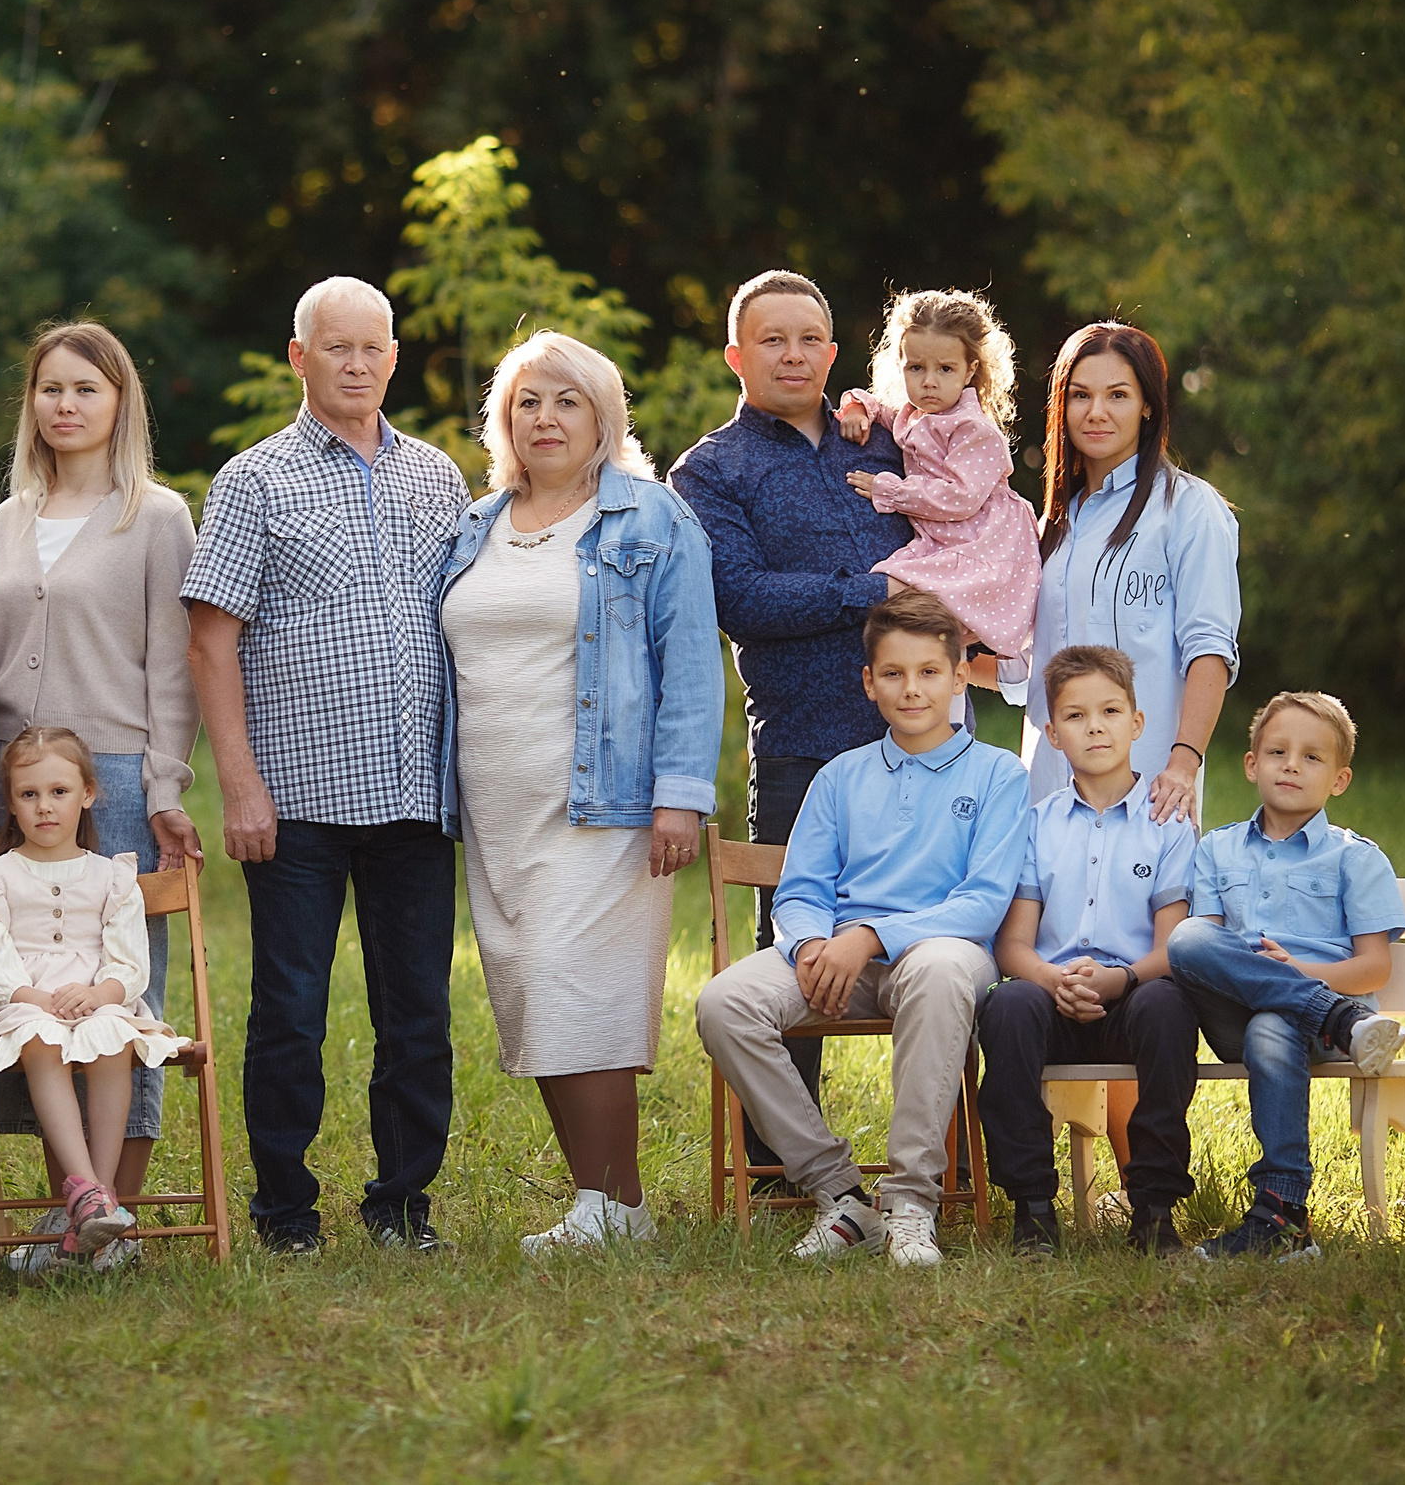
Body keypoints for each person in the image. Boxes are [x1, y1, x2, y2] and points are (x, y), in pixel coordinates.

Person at [182, 274, 468, 1255]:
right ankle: (284, 1211)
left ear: (393, 357)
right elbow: (211, 644)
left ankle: (400, 1204)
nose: (355, 363)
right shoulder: (251, 481)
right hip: (295, 798)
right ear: (299, 358)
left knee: (418, 1015)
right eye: (334, 347)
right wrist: (240, 784)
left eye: (372, 347)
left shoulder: (436, 477)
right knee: (291, 1014)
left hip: (414, 794)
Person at [436, 331, 722, 1255]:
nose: (546, 418)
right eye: (528, 401)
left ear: (604, 417)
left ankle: (613, 1203)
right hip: (497, 805)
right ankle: (610, 1204)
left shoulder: (652, 519)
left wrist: (681, 794)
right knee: (532, 990)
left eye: (567, 400)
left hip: (606, 806)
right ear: (504, 420)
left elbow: (692, 667)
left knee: (576, 988)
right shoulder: (475, 526)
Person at [692, 589, 1028, 1268]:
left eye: (930, 672)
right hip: (838, 956)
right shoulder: (843, 775)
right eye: (895, 674)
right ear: (869, 682)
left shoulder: (999, 775)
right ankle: (842, 1194)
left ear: (961, 675)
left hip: (939, 955)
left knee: (937, 969)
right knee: (723, 1003)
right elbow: (803, 888)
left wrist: (868, 935)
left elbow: (983, 901)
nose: (913, 689)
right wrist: (814, 944)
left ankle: (910, 1204)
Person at [668, 269, 913, 1183]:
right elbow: (739, 598)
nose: (794, 354)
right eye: (773, 340)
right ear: (738, 354)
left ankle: (948, 1152)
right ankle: (781, 1167)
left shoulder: (889, 438)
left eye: (809, 338)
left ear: (833, 351)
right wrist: (872, 595)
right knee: (799, 946)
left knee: (937, 934)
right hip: (803, 743)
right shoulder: (712, 469)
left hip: (925, 741)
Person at [0, 320, 202, 1273]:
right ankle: (72, 1206)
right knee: (24, 996)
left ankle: (118, 1218)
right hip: (11, 779)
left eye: (86, 389)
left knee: (119, 992)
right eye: (50, 389)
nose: (66, 405)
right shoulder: (8, 519)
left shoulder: (155, 516)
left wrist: (164, 787)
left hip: (110, 776)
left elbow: (171, 671)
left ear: (119, 403)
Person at [975, 645, 1200, 1259]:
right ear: (1051, 733)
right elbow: (1013, 944)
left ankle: (1153, 1208)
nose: (1094, 726)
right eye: (1075, 716)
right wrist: (1052, 980)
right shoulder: (1036, 824)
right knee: (1006, 1007)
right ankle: (1033, 1210)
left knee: (1170, 1006)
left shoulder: (1169, 823)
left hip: (1131, 998)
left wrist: (1116, 981)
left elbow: (1174, 946)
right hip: (1052, 999)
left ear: (1138, 721)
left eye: (1109, 711)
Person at [1167, 691, 1405, 1263]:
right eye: (1277, 751)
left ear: (1340, 779)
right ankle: (1336, 1016)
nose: (1291, 765)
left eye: (1311, 757)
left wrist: (1302, 973)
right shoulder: (1217, 849)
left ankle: (1282, 1214)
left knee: (1274, 1023)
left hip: (1310, 1037)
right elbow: (1202, 951)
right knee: (1186, 938)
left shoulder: (1355, 858)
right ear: (1252, 765)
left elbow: (1375, 965)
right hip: (1246, 1016)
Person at [0, 728, 184, 1261]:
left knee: (114, 1037)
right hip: (23, 1005)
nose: (45, 807)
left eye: (59, 792)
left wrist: (102, 992)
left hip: (95, 1000)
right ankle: (88, 1192)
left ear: (87, 793)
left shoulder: (112, 877)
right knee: (40, 1040)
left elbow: (130, 960)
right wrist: (38, 1000)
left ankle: (97, 1200)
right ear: (11, 804)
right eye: (29, 794)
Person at [1019, 322, 1240, 819]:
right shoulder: (1049, 525)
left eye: (1117, 395)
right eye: (1080, 396)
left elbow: (1209, 648)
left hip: (1151, 793)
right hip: (1048, 795)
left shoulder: (1188, 508)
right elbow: (1029, 665)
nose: (1096, 412)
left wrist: (1184, 762)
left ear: (1148, 406)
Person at [833, 288, 1041, 669]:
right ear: (901, 365)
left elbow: (960, 497)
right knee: (904, 609)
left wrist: (889, 490)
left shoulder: (973, 429)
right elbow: (881, 409)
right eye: (916, 368)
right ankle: (927, 677)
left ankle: (973, 679)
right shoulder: (913, 412)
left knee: (894, 589)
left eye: (945, 369)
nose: (929, 382)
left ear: (970, 371)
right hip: (943, 537)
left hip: (984, 541)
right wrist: (857, 408)